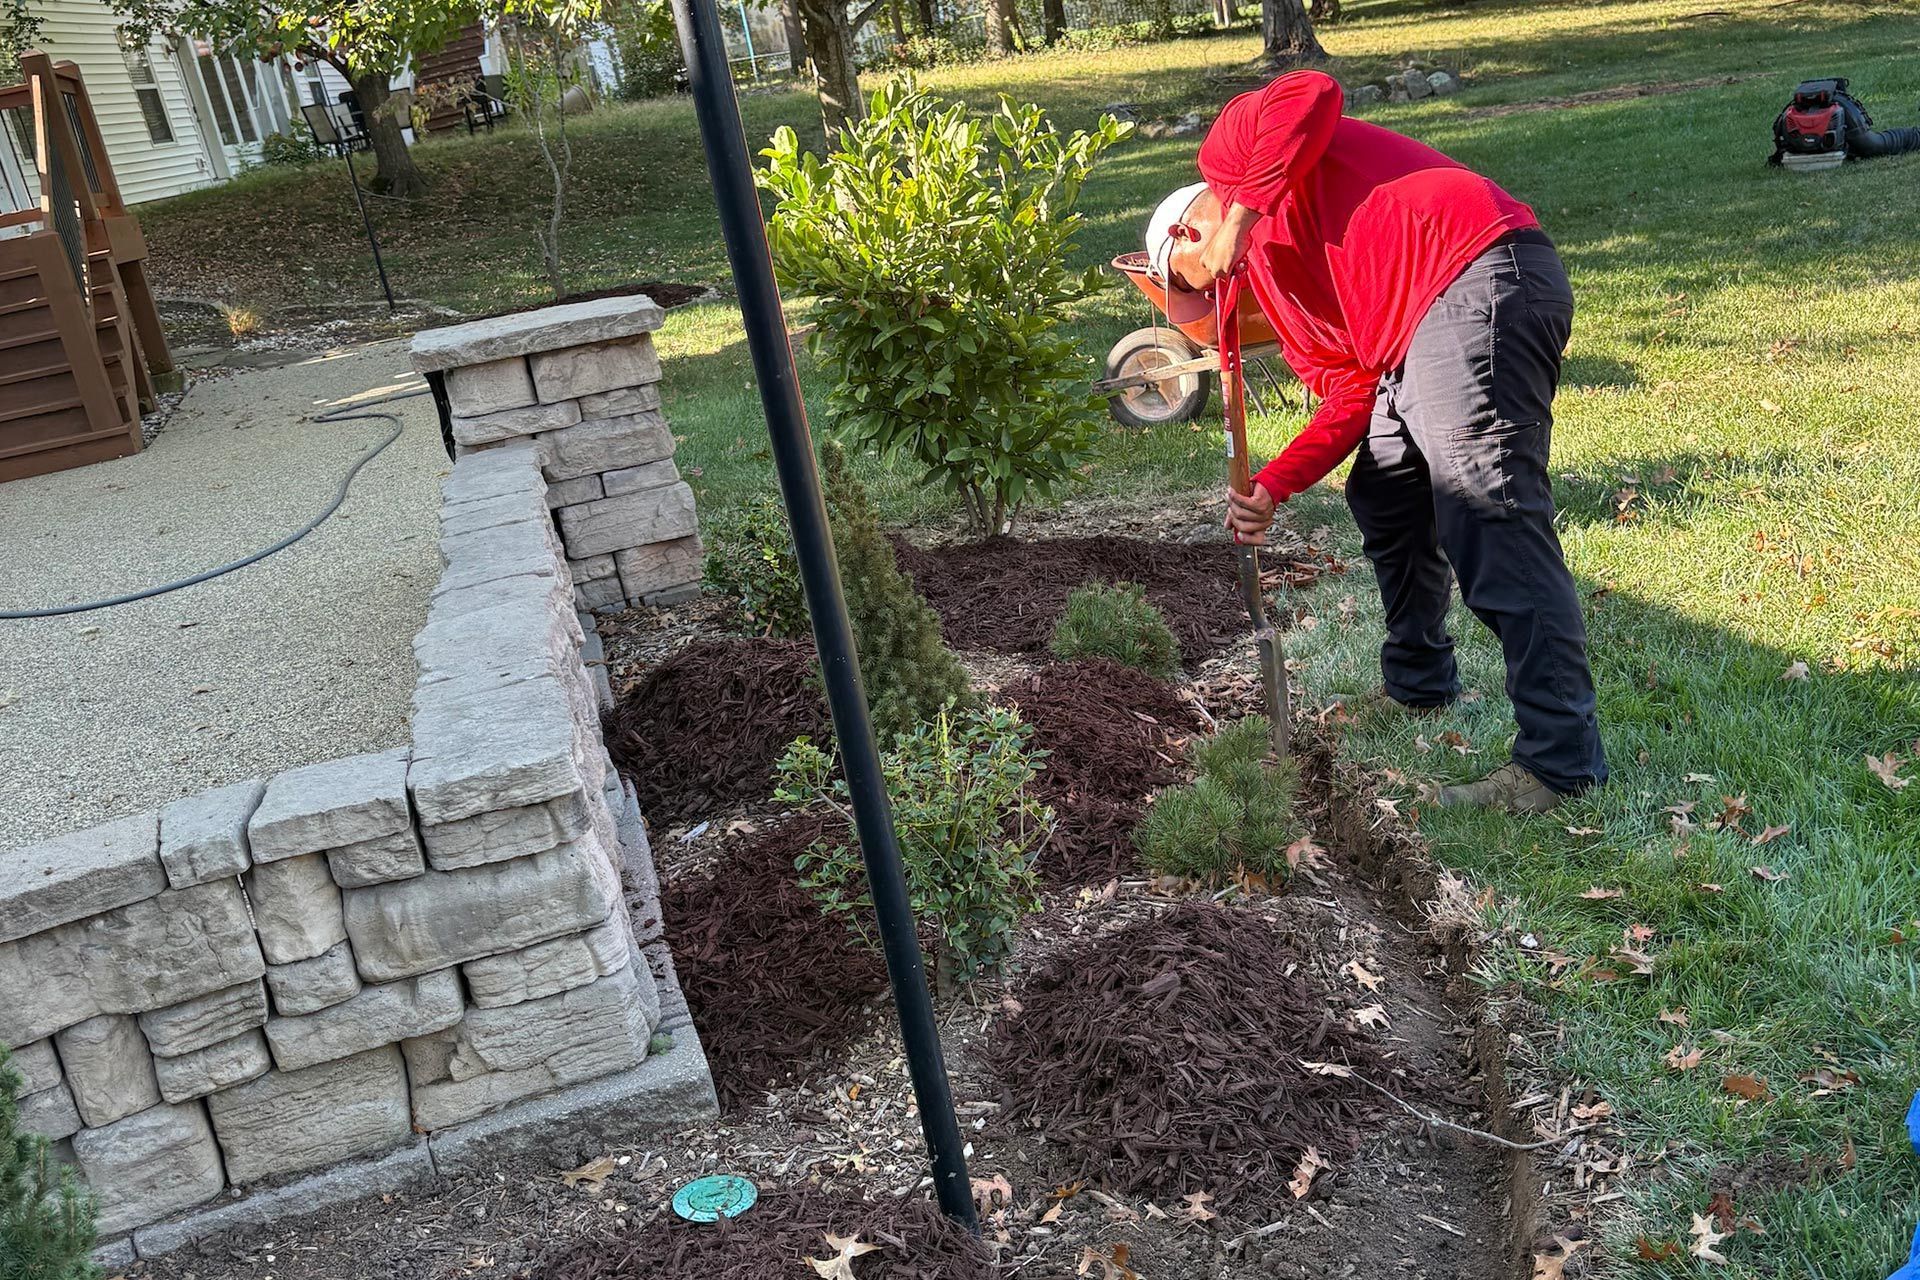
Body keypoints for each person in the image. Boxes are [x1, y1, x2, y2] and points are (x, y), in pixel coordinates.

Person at [1142, 69, 1606, 814]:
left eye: (1202, 285)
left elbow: (1310, 92)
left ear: (1188, 234)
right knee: (1386, 493)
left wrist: (1242, 215)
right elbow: (1351, 393)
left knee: (1489, 515)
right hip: (1415, 332)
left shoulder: (1233, 157)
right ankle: (1420, 685)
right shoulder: (1292, 309)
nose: (1220, 295)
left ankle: (1559, 764)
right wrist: (1273, 485)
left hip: (1474, 271)